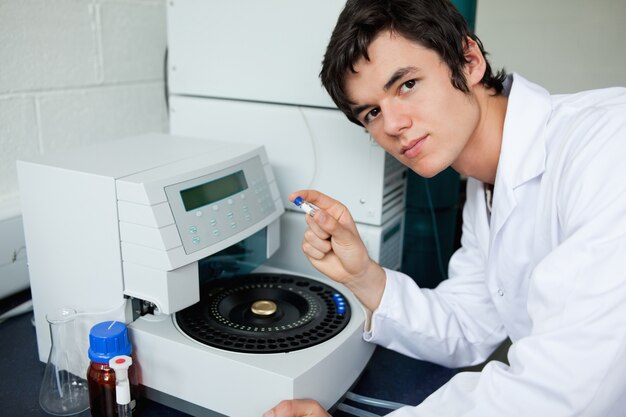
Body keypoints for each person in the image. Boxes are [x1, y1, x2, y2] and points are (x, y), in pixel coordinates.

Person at [263, 0, 626, 416]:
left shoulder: (608, 143)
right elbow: (469, 325)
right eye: (372, 112)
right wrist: (360, 274)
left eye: (407, 85)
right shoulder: (484, 185)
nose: (393, 125)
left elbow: (570, 389)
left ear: (468, 61)